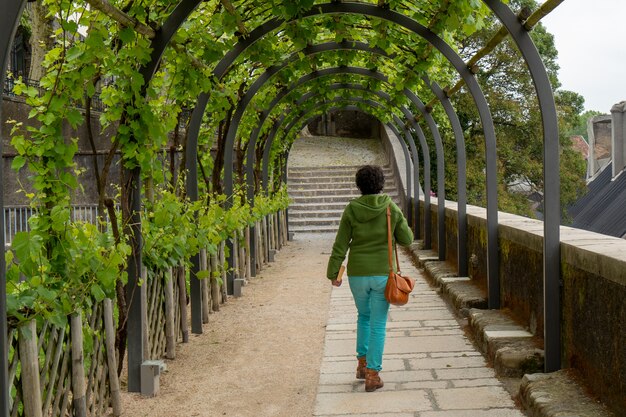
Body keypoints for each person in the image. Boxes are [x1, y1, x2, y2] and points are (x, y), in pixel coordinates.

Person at [326, 165, 413, 392]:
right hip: (383, 275)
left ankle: (362, 365)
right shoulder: (390, 207)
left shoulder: (351, 209)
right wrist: (397, 223)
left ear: (359, 186)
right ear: (381, 183)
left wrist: (333, 273)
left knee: (363, 317)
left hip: (357, 274)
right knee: (378, 324)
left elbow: (340, 244)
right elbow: (407, 239)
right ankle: (373, 375)